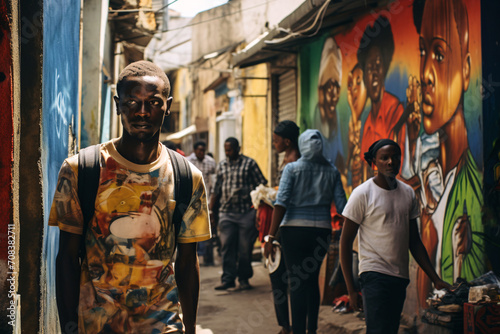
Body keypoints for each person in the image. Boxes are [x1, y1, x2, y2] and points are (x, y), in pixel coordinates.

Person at [50, 61, 211, 334]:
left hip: (163, 326)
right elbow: (66, 258)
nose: (143, 112)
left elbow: (186, 261)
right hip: (97, 325)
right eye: (132, 102)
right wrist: (68, 328)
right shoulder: (81, 170)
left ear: (168, 105)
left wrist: (191, 327)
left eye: (154, 103)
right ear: (117, 104)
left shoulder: (187, 177)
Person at [408, 0, 485, 307]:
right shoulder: (432, 175)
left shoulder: (471, 190)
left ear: (466, 71)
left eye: (439, 55)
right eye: (423, 52)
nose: (426, 73)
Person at [340, 139, 451, 334]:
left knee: (390, 329)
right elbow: (345, 242)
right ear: (375, 162)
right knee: (377, 329)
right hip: (373, 274)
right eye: (384, 158)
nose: (390, 162)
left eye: (395, 157)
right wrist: (351, 290)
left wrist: (435, 278)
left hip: (399, 277)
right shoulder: (362, 194)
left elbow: (414, 241)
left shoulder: (408, 193)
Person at [264, 129, 347, 334]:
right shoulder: (332, 171)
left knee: (296, 282)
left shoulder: (292, 169)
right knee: (311, 281)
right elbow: (343, 206)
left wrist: (271, 236)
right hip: (321, 233)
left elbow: (281, 203)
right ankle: (312, 329)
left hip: (293, 231)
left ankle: (299, 331)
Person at [211, 137, 267, 290]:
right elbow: (216, 190)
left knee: (245, 248)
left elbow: (262, 185)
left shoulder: (250, 164)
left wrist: (257, 206)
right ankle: (228, 279)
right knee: (227, 247)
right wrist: (211, 210)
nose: (227, 153)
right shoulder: (221, 165)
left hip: (246, 213)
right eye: (225, 150)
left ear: (237, 149)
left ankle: (243, 279)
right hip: (226, 213)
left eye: (230, 150)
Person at [357, 15, 407, 178]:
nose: (375, 74)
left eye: (379, 66)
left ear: (385, 69)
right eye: (370, 68)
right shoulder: (367, 124)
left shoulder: (395, 112)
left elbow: (398, 170)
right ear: (364, 76)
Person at [267, 120, 301, 334]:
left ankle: (289, 327)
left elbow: (284, 200)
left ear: (287, 141)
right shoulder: (289, 160)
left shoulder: (293, 162)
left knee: (280, 276)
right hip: (284, 223)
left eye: (276, 140)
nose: (274, 144)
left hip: (285, 224)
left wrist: (270, 236)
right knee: (285, 276)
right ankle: (289, 325)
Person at [187, 141, 217, 266]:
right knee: (191, 229)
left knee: (206, 228)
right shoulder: (187, 161)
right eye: (199, 150)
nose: (201, 152)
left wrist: (211, 203)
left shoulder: (210, 162)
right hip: (190, 201)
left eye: (203, 150)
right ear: (194, 150)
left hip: (206, 200)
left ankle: (207, 257)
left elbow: (213, 183)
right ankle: (194, 256)